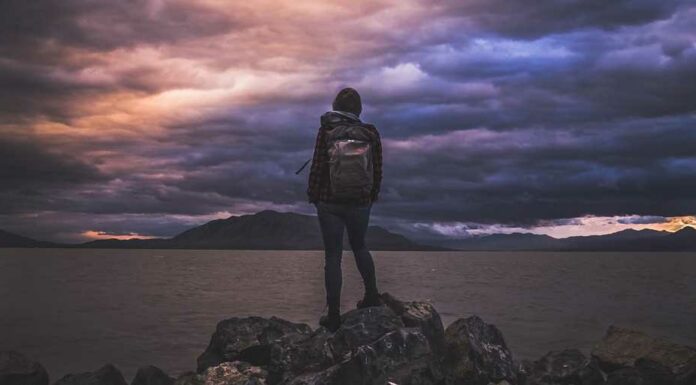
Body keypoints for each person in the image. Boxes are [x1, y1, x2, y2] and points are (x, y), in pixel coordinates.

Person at [307, 87, 383, 332]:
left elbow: (318, 166)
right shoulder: (370, 133)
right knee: (360, 246)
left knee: (333, 256)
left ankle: (334, 315)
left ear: (335, 105)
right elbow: (377, 169)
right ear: (358, 109)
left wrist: (314, 195)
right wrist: (370, 196)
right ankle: (372, 296)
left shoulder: (326, 130)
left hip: (329, 202)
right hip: (360, 202)